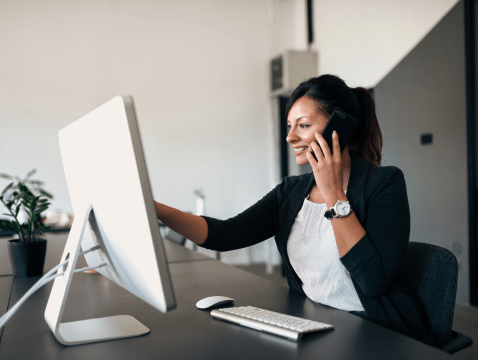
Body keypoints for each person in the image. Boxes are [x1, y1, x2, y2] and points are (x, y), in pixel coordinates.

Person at [154, 74, 435, 345]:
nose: (290, 137)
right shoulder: (290, 192)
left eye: (302, 125)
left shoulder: (385, 184)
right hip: (318, 325)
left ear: (340, 128)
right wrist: (155, 210)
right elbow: (226, 234)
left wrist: (333, 192)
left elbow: (373, 281)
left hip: (378, 333)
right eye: (289, 126)